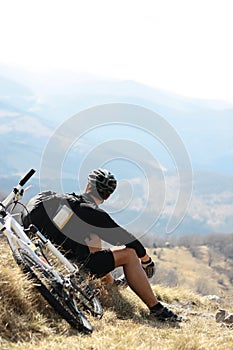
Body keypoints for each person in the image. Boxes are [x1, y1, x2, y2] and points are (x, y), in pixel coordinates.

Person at [22, 168, 183, 322]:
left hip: (43, 253)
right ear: (107, 196)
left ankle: (111, 283)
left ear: (87, 186)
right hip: (75, 265)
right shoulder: (93, 213)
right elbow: (127, 239)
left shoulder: (57, 199)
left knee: (92, 234)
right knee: (130, 255)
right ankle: (157, 309)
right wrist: (146, 259)